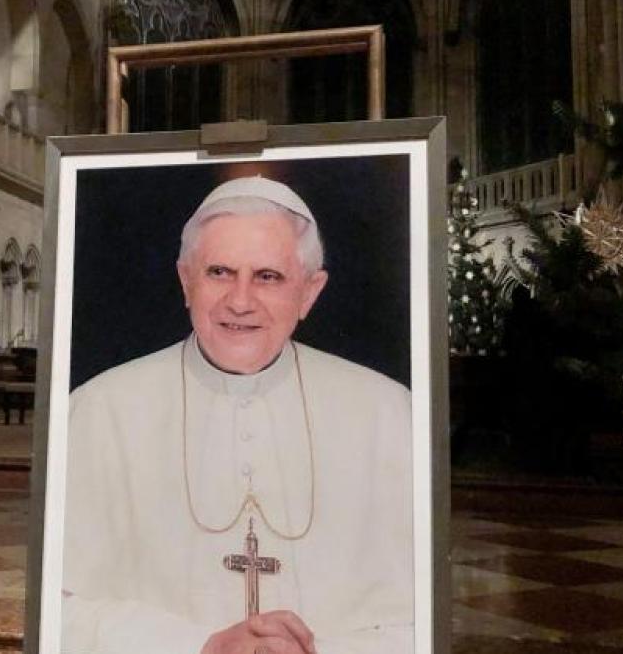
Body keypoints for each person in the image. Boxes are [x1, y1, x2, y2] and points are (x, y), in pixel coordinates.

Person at [62, 176, 413, 654]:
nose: (241, 301)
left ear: (309, 292)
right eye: (220, 272)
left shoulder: (387, 414)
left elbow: (419, 618)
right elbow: (59, 610)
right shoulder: (100, 411)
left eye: (268, 276)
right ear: (186, 281)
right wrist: (197, 647)